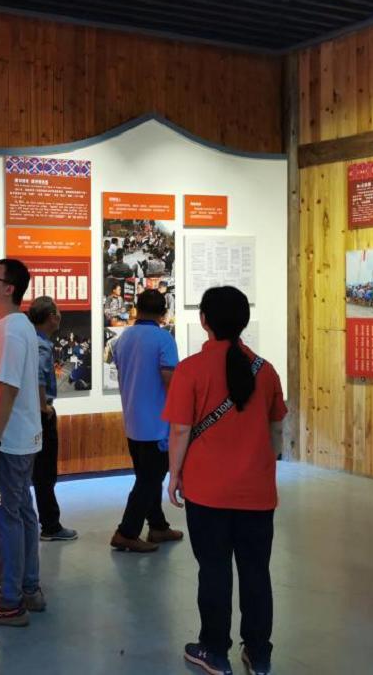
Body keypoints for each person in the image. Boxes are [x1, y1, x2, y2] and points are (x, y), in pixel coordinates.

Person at [164, 286, 286, 675]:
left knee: (214, 571)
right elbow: (276, 429)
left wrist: (174, 474)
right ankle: (259, 654)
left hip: (208, 493)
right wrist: (263, 464)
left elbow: (180, 430)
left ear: (204, 321)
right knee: (256, 572)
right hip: (257, 493)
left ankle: (215, 651)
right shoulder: (265, 370)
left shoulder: (190, 370)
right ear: (243, 321)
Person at [0, 259, 43, 626]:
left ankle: (10, 601)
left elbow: (8, 387)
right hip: (16, 441)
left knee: (3, 519)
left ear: (8, 288)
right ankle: (27, 588)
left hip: (4, 444)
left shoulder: (11, 331)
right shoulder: (13, 326)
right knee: (20, 514)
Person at [110, 289, 182, 553]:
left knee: (146, 477)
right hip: (157, 425)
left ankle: (158, 526)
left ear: (137, 309)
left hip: (132, 421)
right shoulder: (164, 339)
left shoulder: (123, 338)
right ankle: (126, 532)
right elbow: (170, 380)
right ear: (163, 313)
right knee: (149, 481)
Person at [27, 296, 77, 542]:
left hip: (32, 414)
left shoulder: (31, 340)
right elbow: (38, 377)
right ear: (51, 317)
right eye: (57, 312)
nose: (60, 316)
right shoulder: (42, 346)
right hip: (41, 414)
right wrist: (43, 407)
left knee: (39, 472)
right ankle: (51, 525)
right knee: (45, 472)